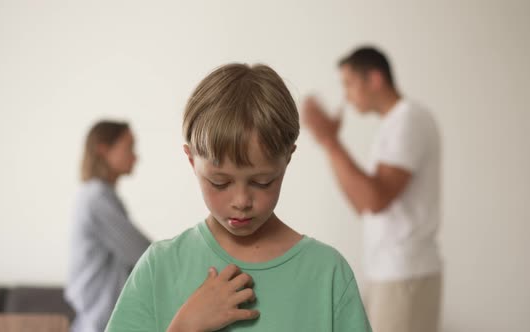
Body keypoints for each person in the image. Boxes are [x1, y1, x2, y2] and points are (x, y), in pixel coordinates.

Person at [105, 63, 371, 332]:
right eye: (220, 182)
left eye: (262, 181)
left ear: (288, 158)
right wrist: (184, 327)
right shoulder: (159, 267)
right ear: (191, 161)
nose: (241, 201)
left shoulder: (327, 274)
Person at [302, 46, 443, 332]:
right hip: (393, 273)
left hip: (404, 273)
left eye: (349, 84)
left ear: (375, 79)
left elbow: (374, 199)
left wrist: (330, 141)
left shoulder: (409, 120)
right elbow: (362, 203)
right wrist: (329, 142)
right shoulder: (395, 124)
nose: (346, 95)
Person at [65, 120, 151, 332]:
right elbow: (144, 254)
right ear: (103, 150)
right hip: (98, 323)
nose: (136, 157)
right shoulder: (96, 198)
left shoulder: (100, 196)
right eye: (129, 147)